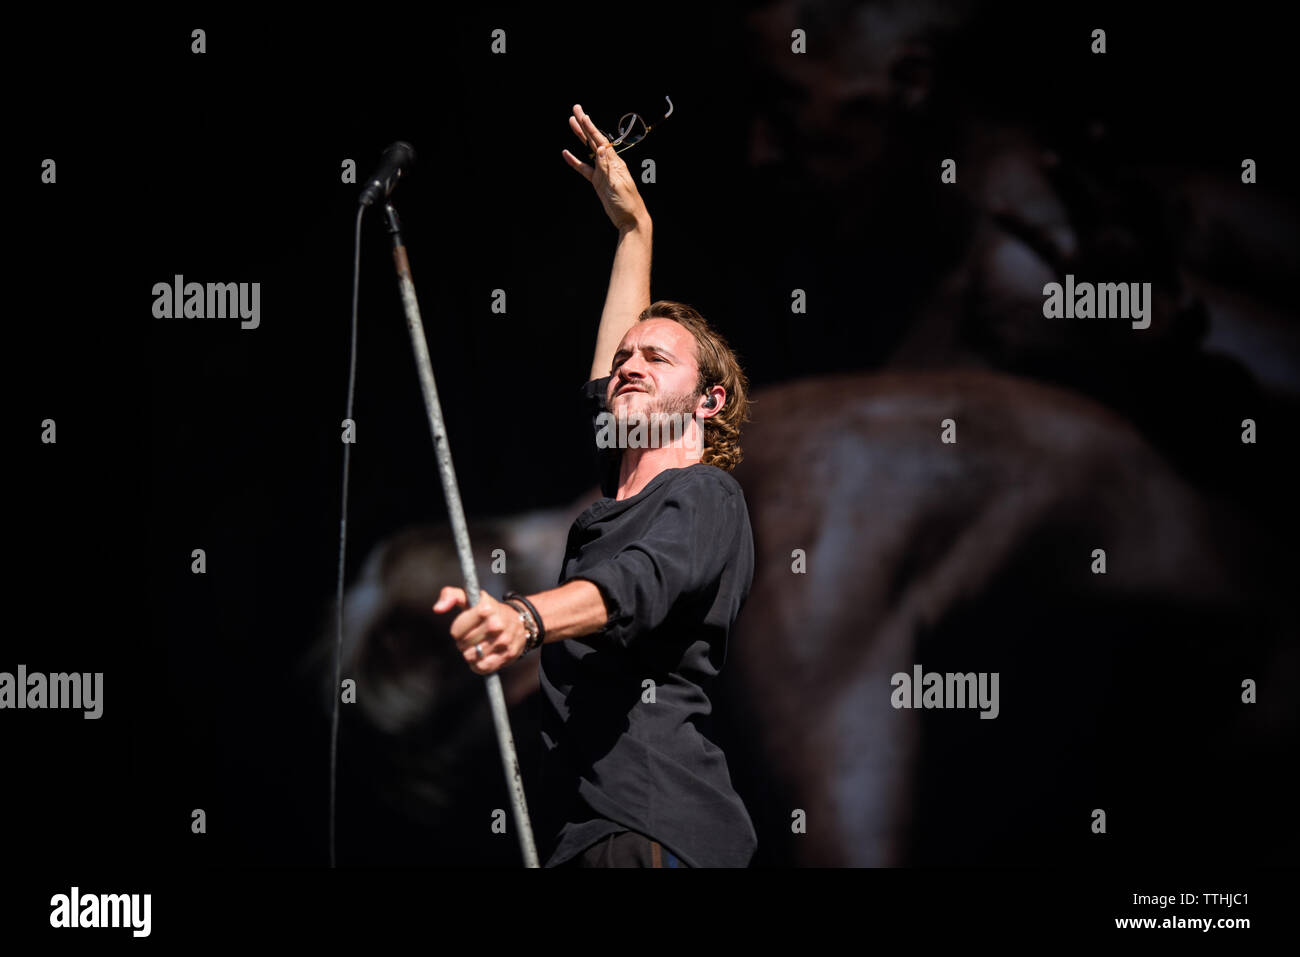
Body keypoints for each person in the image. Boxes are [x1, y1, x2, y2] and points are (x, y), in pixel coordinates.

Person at [432, 104, 757, 867]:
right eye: (623, 358)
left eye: (658, 358)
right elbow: (610, 373)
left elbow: (636, 584)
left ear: (708, 401)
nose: (629, 364)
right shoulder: (620, 495)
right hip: (588, 832)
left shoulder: (706, 495)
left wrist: (525, 617)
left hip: (656, 826)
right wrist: (633, 229)